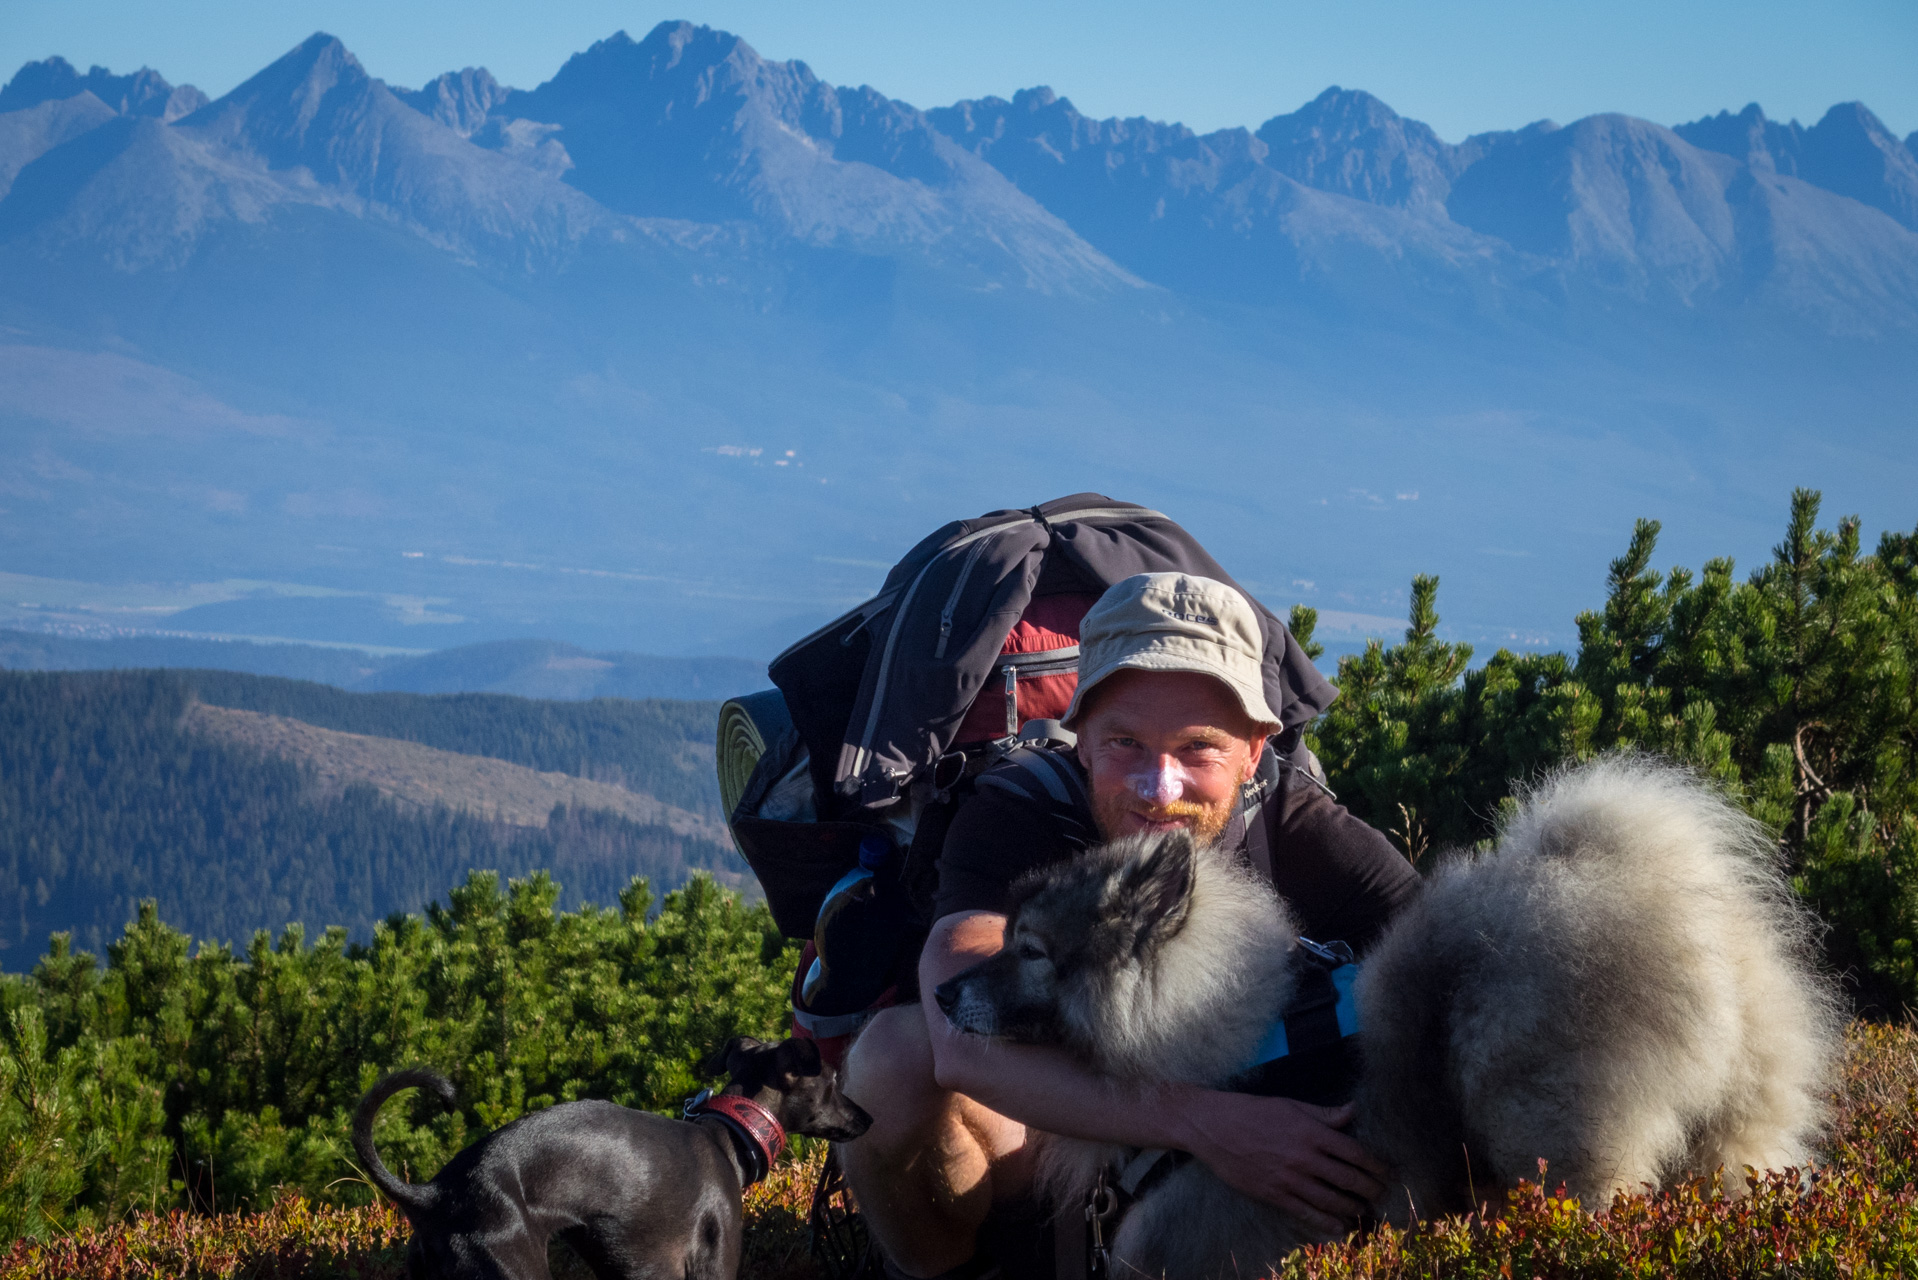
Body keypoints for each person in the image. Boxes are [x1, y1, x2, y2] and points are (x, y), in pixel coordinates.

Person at [838, 572, 1421, 1280]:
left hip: (1241, 1192)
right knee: (891, 1061)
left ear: (1254, 750)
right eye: (1125, 743)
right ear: (1079, 737)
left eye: (1198, 749)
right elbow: (954, 1036)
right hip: (1046, 1149)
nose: (1158, 788)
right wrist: (1209, 1125)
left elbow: (1445, 981)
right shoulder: (1018, 813)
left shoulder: (1308, 834)